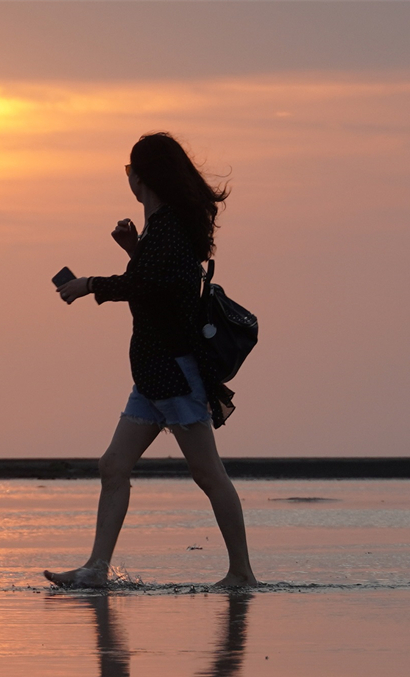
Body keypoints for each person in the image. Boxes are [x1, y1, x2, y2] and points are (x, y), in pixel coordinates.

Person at [48, 132, 257, 589]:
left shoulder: (170, 230)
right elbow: (155, 284)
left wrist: (88, 284)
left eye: (129, 171)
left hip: (175, 373)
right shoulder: (161, 232)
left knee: (208, 472)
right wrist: (133, 251)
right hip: (152, 374)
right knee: (113, 466)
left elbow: (151, 290)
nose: (129, 178)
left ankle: (242, 572)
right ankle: (96, 569)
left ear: (142, 177)